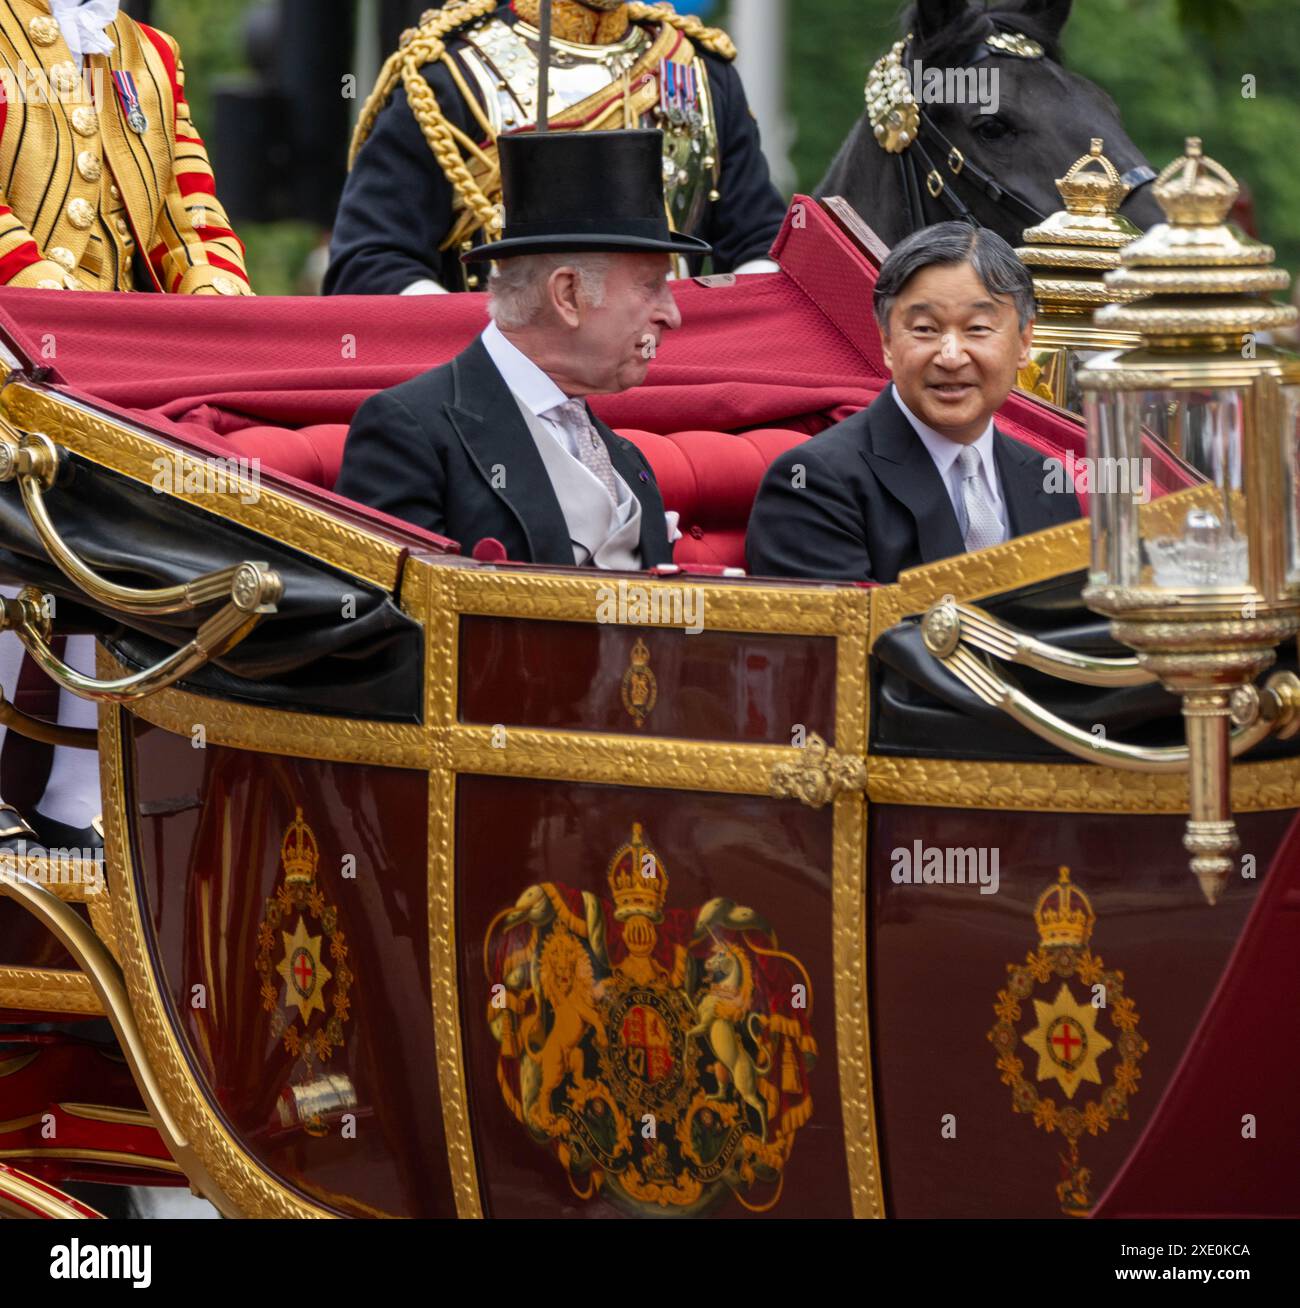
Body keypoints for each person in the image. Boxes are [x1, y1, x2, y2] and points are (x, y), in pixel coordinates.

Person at [0, 0, 252, 859]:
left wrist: (211, 303)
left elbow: (193, 208)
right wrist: (52, 315)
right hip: (10, 346)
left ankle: (82, 794)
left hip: (115, 372)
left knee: (127, 536)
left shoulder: (152, 53)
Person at [335, 128, 695, 569]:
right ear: (567, 295)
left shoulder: (626, 460)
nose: (672, 316)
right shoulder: (410, 434)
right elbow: (394, 622)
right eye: (651, 287)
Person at [325, 0, 785, 294]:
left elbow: (760, 245)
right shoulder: (449, 75)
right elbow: (370, 263)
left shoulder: (698, 71)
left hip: (677, 380)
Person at [745, 222, 1080, 585]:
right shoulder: (813, 482)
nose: (950, 357)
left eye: (978, 328)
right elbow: (840, 639)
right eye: (925, 329)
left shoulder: (1045, 477)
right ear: (887, 340)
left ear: (1025, 341)